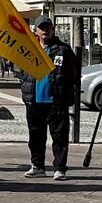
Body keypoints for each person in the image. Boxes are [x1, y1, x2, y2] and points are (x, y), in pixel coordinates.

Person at [21, 17, 82, 180]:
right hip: (34, 101)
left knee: (60, 137)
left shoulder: (63, 49)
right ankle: (37, 166)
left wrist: (67, 93)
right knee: (35, 136)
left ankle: (60, 168)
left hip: (56, 102)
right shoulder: (29, 49)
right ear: (36, 31)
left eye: (49, 27)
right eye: (42, 28)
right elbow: (20, 70)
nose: (46, 30)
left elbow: (75, 73)